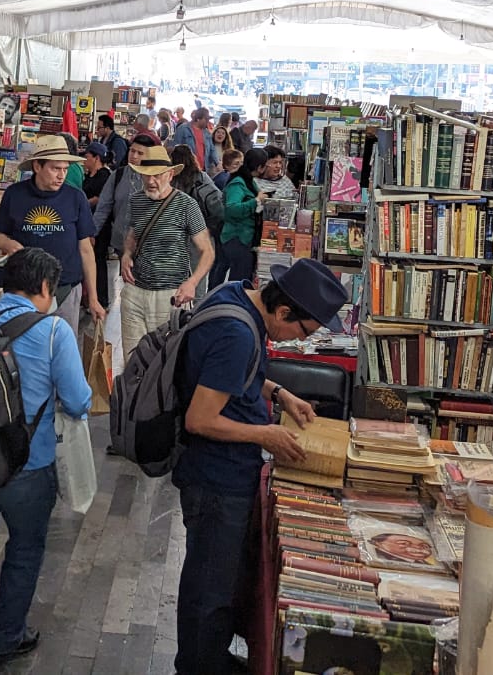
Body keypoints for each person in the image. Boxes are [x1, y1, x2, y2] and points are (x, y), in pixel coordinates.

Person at [172, 260, 347, 675]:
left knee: (216, 578)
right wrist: (265, 435)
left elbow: (234, 375)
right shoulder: (237, 333)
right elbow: (201, 419)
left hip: (220, 474)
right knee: (210, 585)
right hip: (216, 479)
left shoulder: (235, 295)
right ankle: (198, 666)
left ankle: (207, 657)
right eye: (303, 332)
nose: (298, 342)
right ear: (283, 312)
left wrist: (280, 392)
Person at [0, 248, 92, 674]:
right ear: (46, 288)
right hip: (28, 465)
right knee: (25, 549)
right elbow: (80, 402)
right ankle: (7, 636)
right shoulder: (53, 332)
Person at [0, 135, 105, 333]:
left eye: (65, 169)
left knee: (61, 347)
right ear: (37, 167)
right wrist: (7, 244)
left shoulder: (76, 197)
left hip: (65, 289)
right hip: (23, 290)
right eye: (55, 168)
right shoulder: (14, 194)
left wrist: (94, 299)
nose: (61, 175)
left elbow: (86, 249)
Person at [119, 148, 215, 358]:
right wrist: (126, 254)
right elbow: (133, 234)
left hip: (170, 296)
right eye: (147, 175)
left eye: (158, 175)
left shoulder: (187, 205)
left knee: (165, 362)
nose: (151, 181)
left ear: (170, 175)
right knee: (132, 360)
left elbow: (207, 251)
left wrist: (192, 282)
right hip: (134, 292)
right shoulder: (136, 201)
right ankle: (134, 393)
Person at [92, 135, 157, 310]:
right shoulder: (118, 175)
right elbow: (103, 207)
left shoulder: (158, 178)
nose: (134, 156)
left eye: (140, 153)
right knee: (130, 286)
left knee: (147, 289)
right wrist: (91, 233)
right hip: (123, 243)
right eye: (132, 151)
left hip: (150, 245)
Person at [170, 144, 225, 300]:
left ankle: (175, 312)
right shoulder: (203, 180)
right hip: (201, 235)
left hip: (176, 236)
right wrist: (210, 228)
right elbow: (219, 210)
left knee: (175, 279)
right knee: (198, 281)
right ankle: (194, 314)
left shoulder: (171, 180)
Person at [219, 149, 272, 285]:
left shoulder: (248, 180)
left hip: (245, 238)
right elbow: (231, 209)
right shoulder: (238, 183)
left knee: (243, 278)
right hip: (236, 238)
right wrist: (256, 201)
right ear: (259, 167)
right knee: (238, 281)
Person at [171, 108, 219, 174]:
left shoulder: (207, 133)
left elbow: (212, 149)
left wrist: (218, 163)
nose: (208, 122)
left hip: (203, 170)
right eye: (206, 119)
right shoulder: (183, 129)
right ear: (198, 119)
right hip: (187, 170)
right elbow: (175, 148)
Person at [82, 142, 112, 208]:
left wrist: (81, 206)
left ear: (97, 158)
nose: (84, 160)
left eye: (86, 156)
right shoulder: (89, 174)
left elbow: (97, 199)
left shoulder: (103, 175)